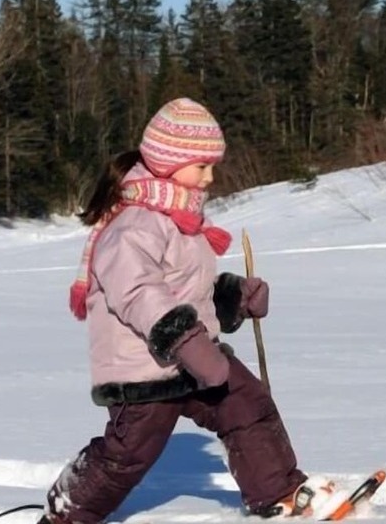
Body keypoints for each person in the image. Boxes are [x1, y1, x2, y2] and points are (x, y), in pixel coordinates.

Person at [39, 98, 343, 523]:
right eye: (202, 166)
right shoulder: (134, 225)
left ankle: (281, 495)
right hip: (142, 370)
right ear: (168, 161)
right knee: (129, 455)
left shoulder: (184, 221)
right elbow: (139, 293)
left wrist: (234, 296)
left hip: (195, 358)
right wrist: (186, 341)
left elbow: (188, 287)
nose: (210, 176)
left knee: (247, 405)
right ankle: (66, 512)